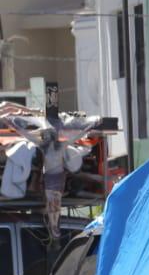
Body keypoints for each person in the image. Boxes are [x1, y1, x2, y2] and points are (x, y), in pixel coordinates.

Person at [5, 84, 99, 241]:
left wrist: (92, 124)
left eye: (51, 134)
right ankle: (54, 227)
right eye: (47, 134)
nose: (50, 136)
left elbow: (78, 134)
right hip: (51, 179)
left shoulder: (61, 145)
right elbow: (26, 134)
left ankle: (54, 227)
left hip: (57, 178)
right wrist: (11, 124)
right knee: (53, 206)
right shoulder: (44, 146)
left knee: (54, 205)